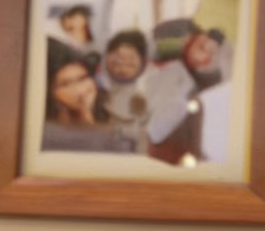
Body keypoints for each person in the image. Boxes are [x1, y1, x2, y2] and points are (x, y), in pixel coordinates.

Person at [144, 18, 231, 167]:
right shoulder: (180, 33)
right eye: (203, 45)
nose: (205, 48)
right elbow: (151, 46)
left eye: (208, 52)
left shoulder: (196, 82)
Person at [41, 40, 136, 153]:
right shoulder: (51, 136)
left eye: (82, 78)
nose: (79, 90)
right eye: (65, 84)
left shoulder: (117, 123)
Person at [96, 29, 151, 142]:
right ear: (106, 58)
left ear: (143, 63)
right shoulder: (93, 93)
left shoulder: (146, 98)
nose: (122, 64)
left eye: (131, 59)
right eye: (117, 57)